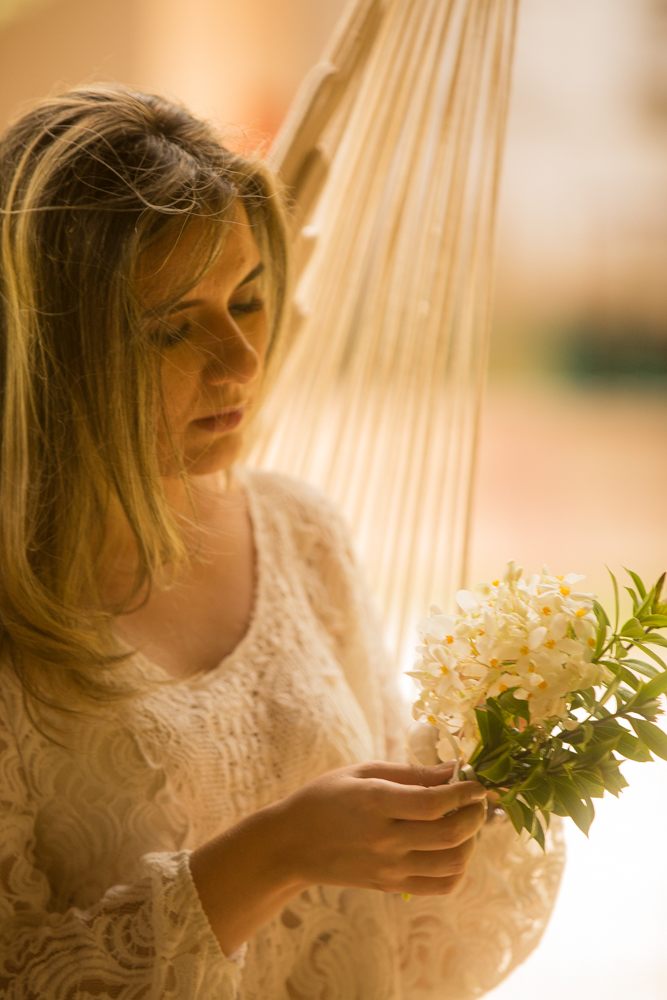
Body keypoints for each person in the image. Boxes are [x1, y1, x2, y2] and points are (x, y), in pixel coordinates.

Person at [0, 84, 564, 999]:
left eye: (250, 300)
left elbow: (404, 942)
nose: (241, 360)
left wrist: (494, 764)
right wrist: (274, 855)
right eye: (172, 327)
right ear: (53, 350)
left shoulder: (301, 536)